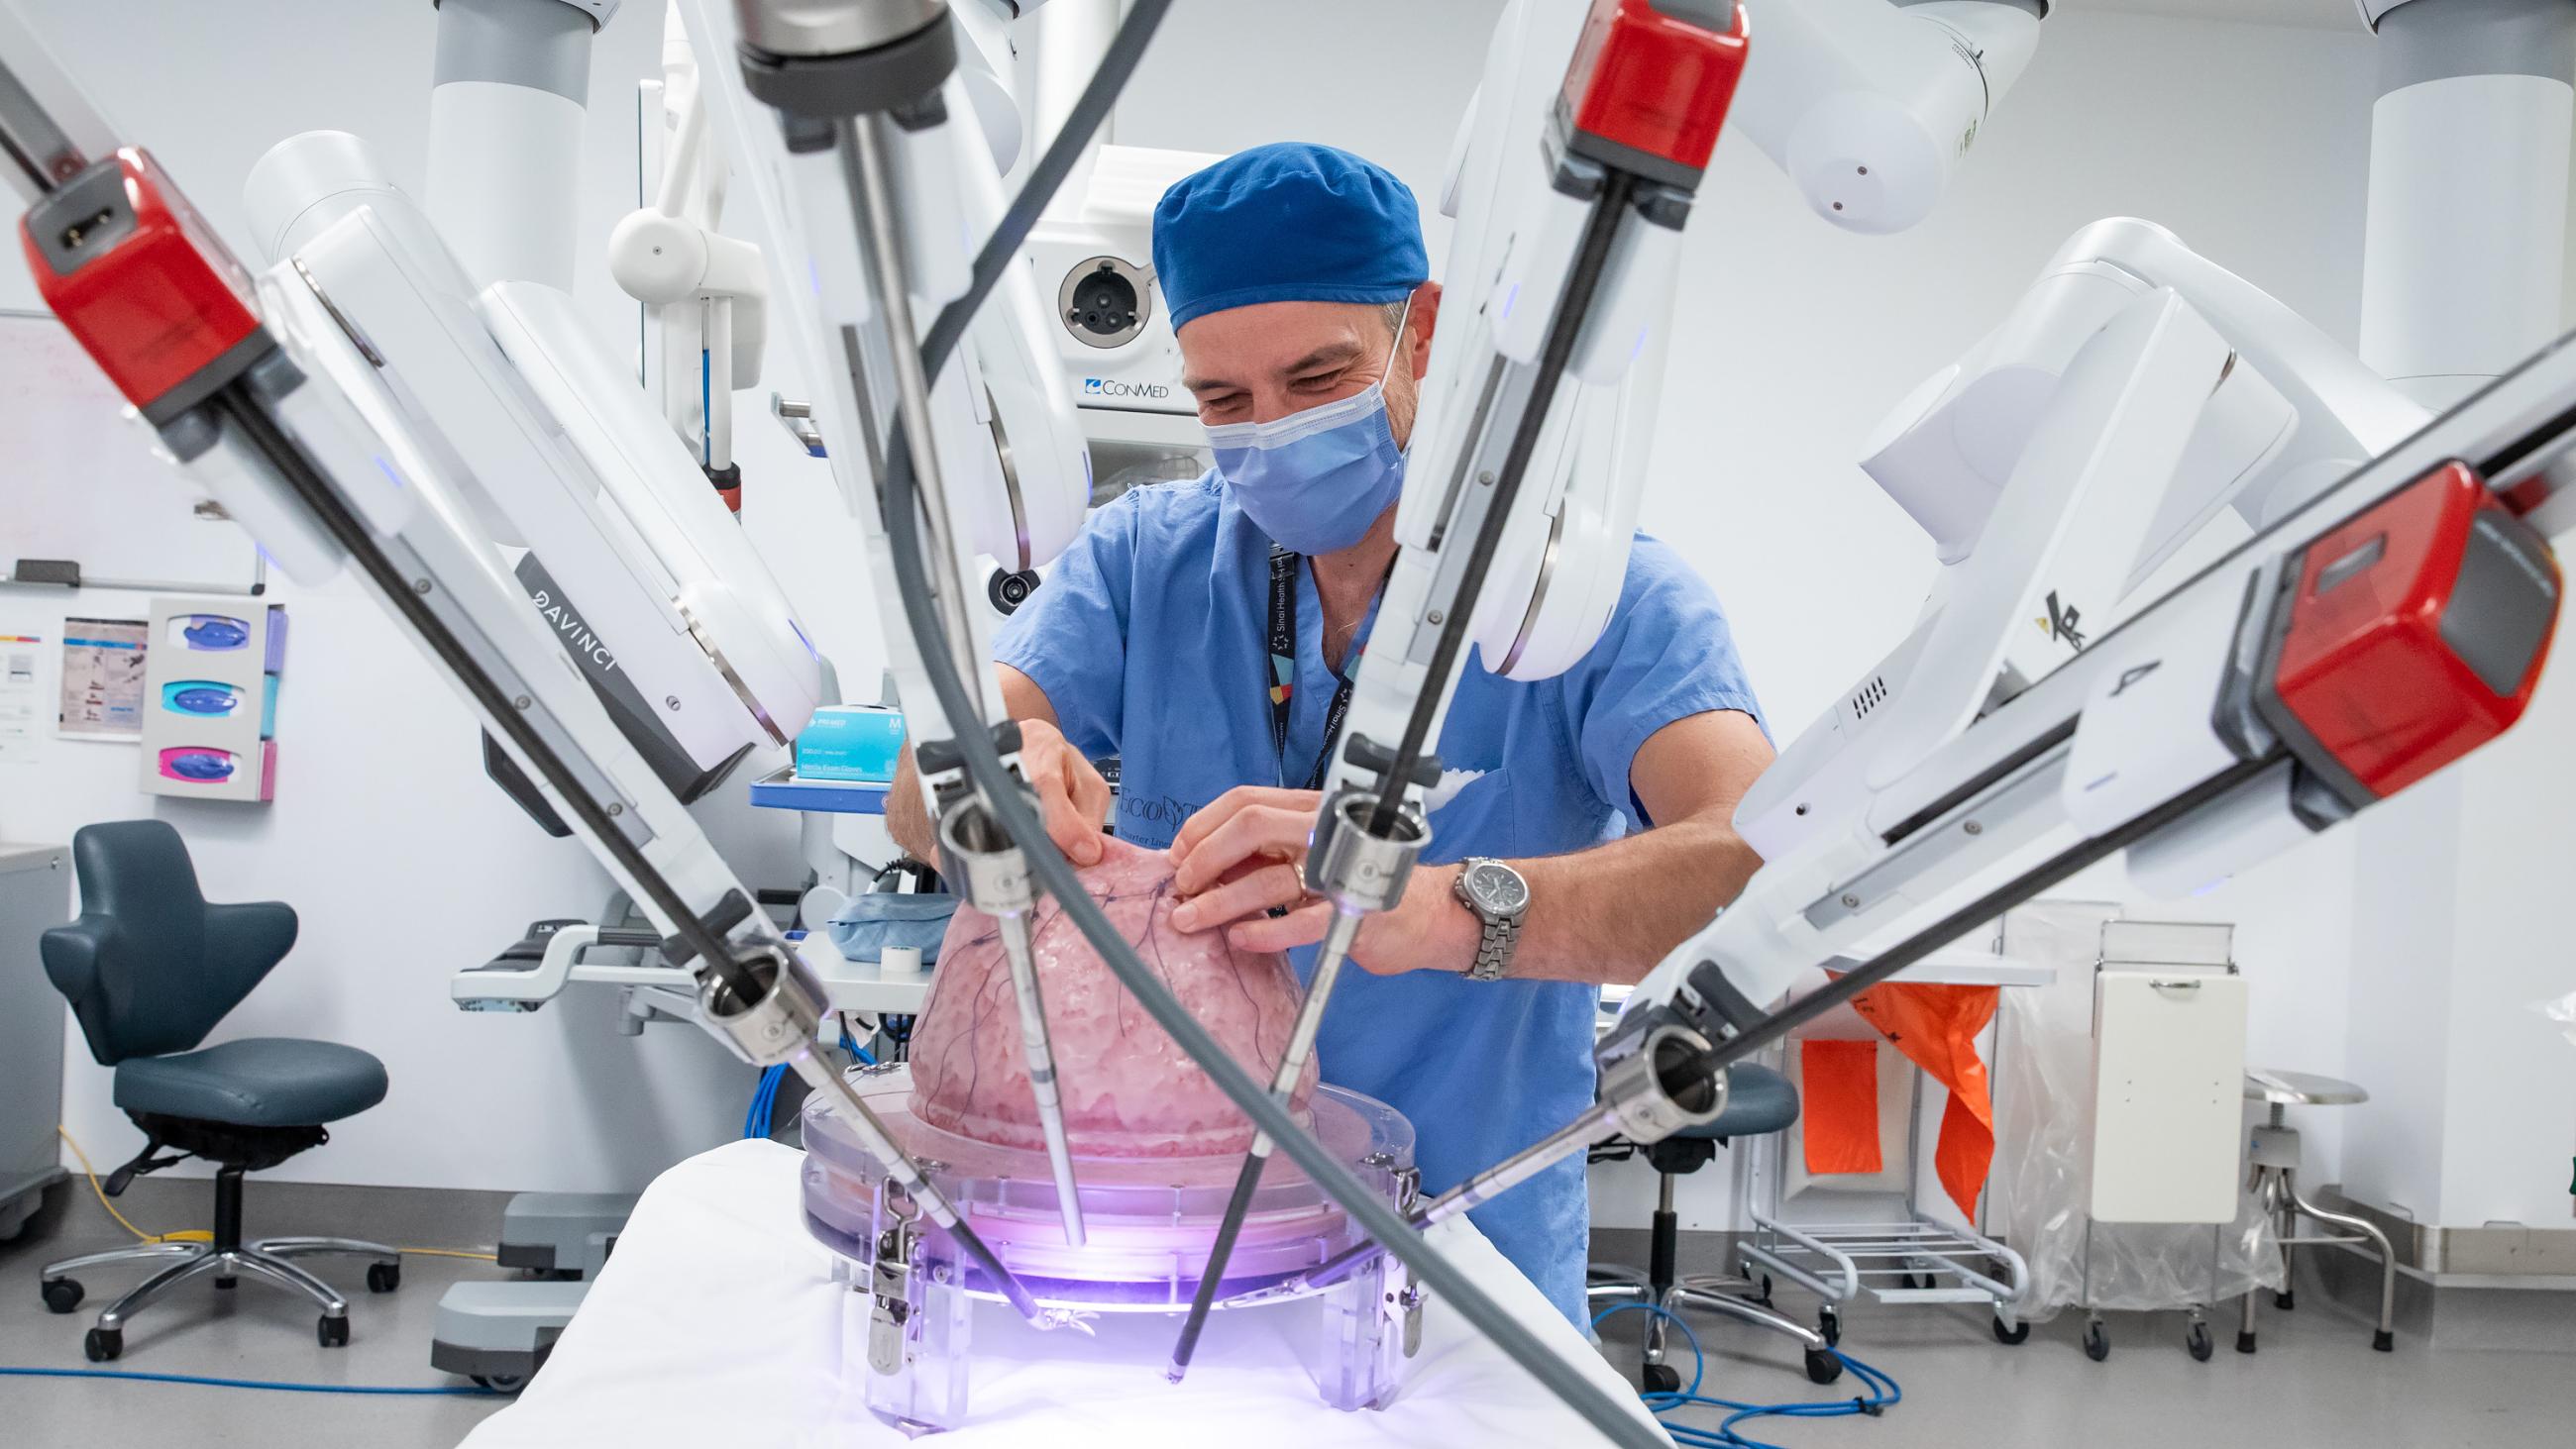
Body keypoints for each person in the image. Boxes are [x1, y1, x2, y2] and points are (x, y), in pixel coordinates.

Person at [887, 142, 1773, 1324]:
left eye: (1316, 380)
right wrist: (987, 769)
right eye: (1222, 401)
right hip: (1157, 1254)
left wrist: (1440, 908)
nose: (1270, 432)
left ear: (1424, 329)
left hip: (1460, 1250)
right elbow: (930, 772)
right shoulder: (1147, 559)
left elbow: (1750, 851)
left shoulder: (1579, 596)